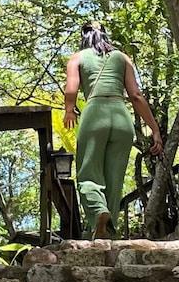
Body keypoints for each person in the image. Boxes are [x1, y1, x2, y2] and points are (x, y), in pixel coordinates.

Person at [62, 22, 164, 238]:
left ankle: (99, 212)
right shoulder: (122, 57)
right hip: (121, 118)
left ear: (84, 37)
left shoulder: (77, 58)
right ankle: (108, 231)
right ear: (106, 36)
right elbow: (136, 96)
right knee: (114, 178)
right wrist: (154, 129)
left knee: (88, 173)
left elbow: (71, 89)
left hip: (94, 114)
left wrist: (69, 111)